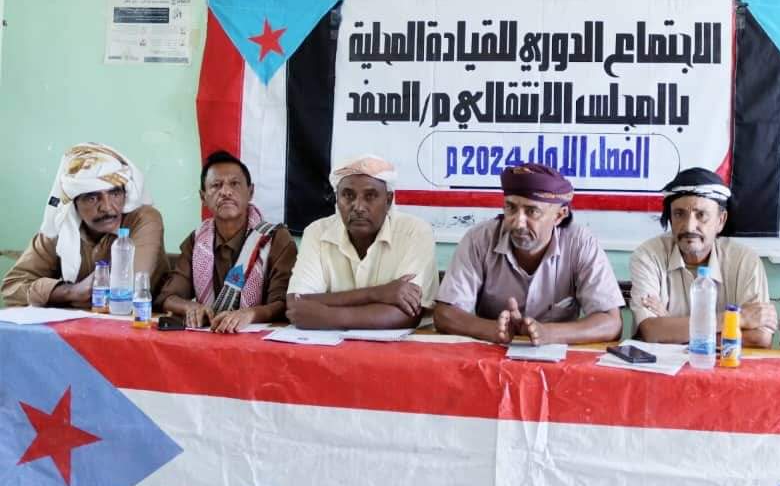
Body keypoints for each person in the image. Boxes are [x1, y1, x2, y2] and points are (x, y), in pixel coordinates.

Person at [434, 163, 624, 345]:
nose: (518, 222)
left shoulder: (580, 243)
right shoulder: (479, 239)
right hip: (492, 355)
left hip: (559, 359)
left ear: (559, 215)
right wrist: (493, 330)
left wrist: (548, 333)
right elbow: (445, 313)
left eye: (532, 211)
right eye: (511, 208)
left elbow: (611, 322)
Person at [2, 143, 168, 307]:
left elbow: (125, 290)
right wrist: (70, 291)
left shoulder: (143, 218)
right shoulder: (61, 225)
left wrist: (60, 294)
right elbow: (12, 287)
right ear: (73, 203)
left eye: (115, 194)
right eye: (92, 198)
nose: (107, 208)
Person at [285, 155, 438, 329]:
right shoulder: (316, 232)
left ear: (388, 201)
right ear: (337, 199)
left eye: (370, 196)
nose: (358, 207)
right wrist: (378, 293)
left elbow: (407, 313)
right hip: (327, 342)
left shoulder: (415, 232)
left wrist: (326, 316)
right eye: (348, 195)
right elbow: (297, 303)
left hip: (403, 343)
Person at [629, 168, 776, 346]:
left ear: (721, 220)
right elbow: (651, 331)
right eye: (679, 214)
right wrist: (737, 318)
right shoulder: (648, 256)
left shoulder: (745, 261)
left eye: (701, 215)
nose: (689, 226)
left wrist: (672, 330)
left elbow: (759, 338)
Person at [155, 151, 296, 332]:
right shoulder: (197, 241)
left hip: (258, 341)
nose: (226, 192)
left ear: (250, 192)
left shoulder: (275, 238)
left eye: (234, 184)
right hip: (209, 339)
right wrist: (191, 307)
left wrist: (250, 314)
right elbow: (168, 297)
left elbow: (283, 303)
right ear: (203, 197)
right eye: (216, 185)